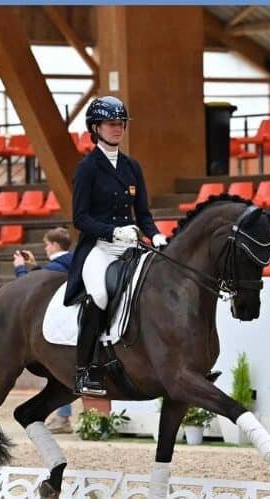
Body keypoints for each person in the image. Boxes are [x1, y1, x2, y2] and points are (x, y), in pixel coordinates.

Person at [64, 96, 168, 397]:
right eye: (112, 124)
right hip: (100, 248)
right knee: (98, 295)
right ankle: (85, 369)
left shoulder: (131, 166)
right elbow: (80, 218)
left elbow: (144, 214)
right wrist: (112, 231)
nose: (118, 128)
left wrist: (156, 235)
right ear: (96, 128)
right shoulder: (87, 168)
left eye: (121, 124)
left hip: (131, 246)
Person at [11, 227, 75, 432]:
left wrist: (21, 268)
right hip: (71, 321)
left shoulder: (56, 266)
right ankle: (62, 416)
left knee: (60, 370)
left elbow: (27, 289)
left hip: (57, 323)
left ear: (55, 245)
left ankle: (63, 418)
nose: (46, 248)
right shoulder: (72, 260)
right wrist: (35, 266)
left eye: (47, 244)